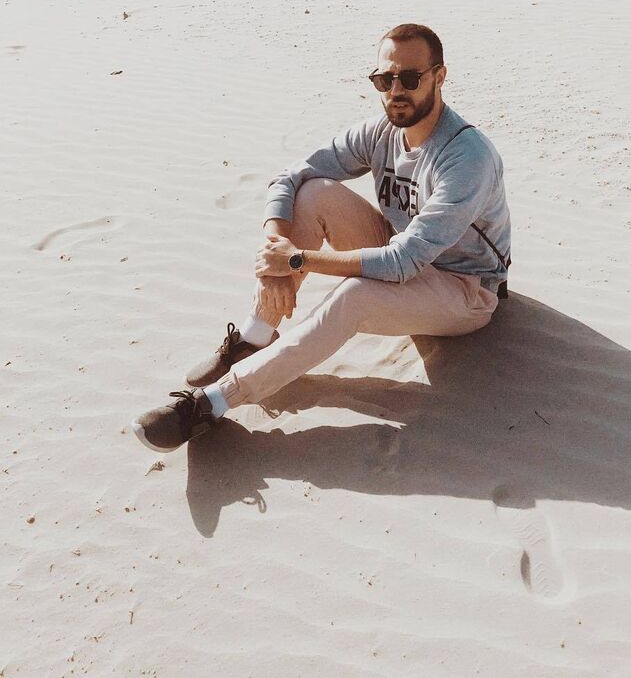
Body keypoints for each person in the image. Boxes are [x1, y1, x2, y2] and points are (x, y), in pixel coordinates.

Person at [132, 23, 512, 452]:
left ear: (439, 77)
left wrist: (297, 259)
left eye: (410, 78)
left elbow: (403, 261)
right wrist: (277, 254)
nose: (395, 91)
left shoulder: (467, 158)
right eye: (384, 80)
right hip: (400, 251)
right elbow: (289, 178)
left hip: (465, 290)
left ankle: (214, 402)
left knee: (354, 297)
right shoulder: (381, 133)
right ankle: (256, 336)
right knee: (313, 192)